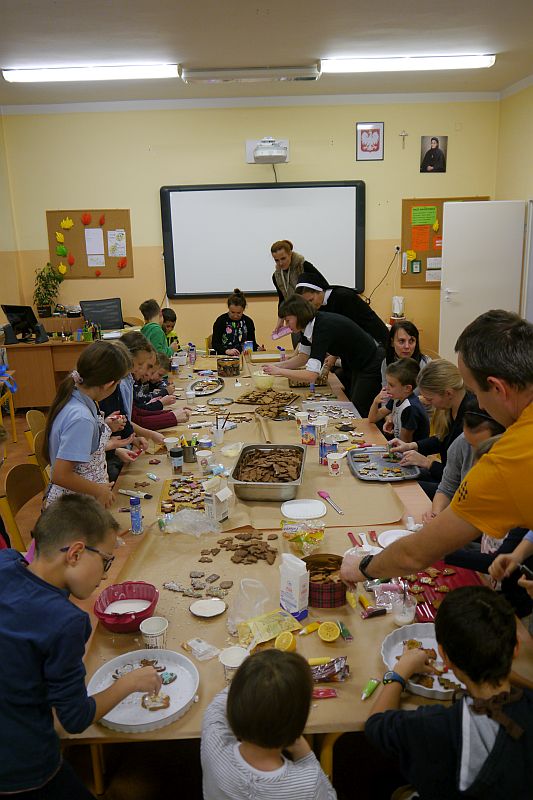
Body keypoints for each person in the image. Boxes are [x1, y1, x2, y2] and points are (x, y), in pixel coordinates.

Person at [339, 310, 533, 585]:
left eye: (476, 393)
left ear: (498, 388)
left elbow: (417, 554)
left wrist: (363, 566)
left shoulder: (510, 458)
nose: (479, 405)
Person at [0, 494, 161, 797]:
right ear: (74, 554)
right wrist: (129, 682)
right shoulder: (66, 622)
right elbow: (74, 718)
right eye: (105, 561)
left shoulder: (6, 560)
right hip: (21, 763)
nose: (105, 575)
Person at [365, 586, 533, 800]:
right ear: (516, 647)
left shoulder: (434, 726)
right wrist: (500, 663)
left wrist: (400, 672)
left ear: (443, 655)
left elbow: (376, 725)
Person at [201, 649, 336, 800]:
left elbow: (218, 703)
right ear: (298, 723)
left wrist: (253, 681)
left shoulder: (213, 739)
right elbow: (329, 796)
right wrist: (304, 755)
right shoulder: (308, 784)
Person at [43, 340, 133, 509]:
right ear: (109, 384)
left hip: (83, 501)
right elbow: (60, 475)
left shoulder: (79, 398)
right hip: (72, 509)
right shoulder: (81, 418)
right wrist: (99, 490)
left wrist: (105, 426)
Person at [263, 295, 382, 417]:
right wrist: (275, 366)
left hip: (370, 362)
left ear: (299, 315)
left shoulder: (321, 328)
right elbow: (302, 358)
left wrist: (279, 371)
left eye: (288, 320)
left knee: (359, 410)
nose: (286, 325)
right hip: (356, 363)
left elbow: (311, 376)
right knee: (355, 405)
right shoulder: (307, 327)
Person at [388, 359, 474, 499]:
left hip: (458, 489)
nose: (427, 403)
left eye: (430, 399)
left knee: (403, 489)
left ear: (448, 394)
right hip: (444, 475)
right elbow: (442, 440)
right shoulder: (451, 407)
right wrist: (412, 445)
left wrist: (427, 463)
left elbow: (459, 479)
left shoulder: (470, 420)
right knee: (396, 476)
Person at [99, 332, 171, 481]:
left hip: (115, 450)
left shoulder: (125, 382)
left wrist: (132, 439)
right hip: (107, 461)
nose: (146, 374)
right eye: (143, 366)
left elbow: (124, 419)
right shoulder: (119, 384)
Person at [422, 397, 505, 523]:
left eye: (483, 446)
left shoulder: (512, 461)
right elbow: (446, 488)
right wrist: (436, 513)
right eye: (471, 444)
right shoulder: (461, 442)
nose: (476, 453)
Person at [295, 272, 389, 346]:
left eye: (311, 300)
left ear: (320, 290)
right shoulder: (318, 305)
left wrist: (333, 356)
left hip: (375, 342)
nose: (310, 305)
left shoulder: (343, 297)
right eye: (306, 303)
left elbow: (351, 330)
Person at [270, 240, 327, 346]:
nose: (281, 263)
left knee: (317, 347)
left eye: (283, 258)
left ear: (290, 254)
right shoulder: (276, 276)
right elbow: (282, 299)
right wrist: (280, 321)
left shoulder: (304, 266)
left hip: (313, 315)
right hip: (295, 317)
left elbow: (323, 286)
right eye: (276, 260)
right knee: (299, 347)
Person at [368, 358, 429, 443]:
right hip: (400, 448)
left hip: (411, 453)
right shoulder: (397, 398)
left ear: (407, 388)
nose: (386, 388)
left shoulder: (410, 408)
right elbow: (373, 419)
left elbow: (405, 443)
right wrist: (375, 402)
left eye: (391, 385)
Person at [211, 289, 259, 355]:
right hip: (224, 356)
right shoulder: (221, 320)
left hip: (243, 356)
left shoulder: (248, 321)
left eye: (239, 313)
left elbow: (252, 342)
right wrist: (227, 351)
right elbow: (215, 344)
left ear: (243, 309)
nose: (235, 316)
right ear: (228, 308)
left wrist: (258, 348)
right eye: (232, 312)